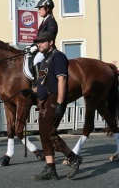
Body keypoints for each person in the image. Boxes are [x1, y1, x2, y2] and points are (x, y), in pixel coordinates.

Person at [32, 32, 82, 180]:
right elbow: (43, 83)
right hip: (43, 100)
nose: (38, 44)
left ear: (51, 42)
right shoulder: (46, 58)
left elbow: (61, 80)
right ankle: (51, 169)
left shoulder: (58, 56)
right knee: (44, 133)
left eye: (41, 42)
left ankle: (73, 158)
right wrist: (31, 91)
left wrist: (59, 103)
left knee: (49, 132)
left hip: (53, 99)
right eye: (37, 42)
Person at [27, 0, 58, 86]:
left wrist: (36, 47)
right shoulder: (45, 21)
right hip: (41, 47)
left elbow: (50, 37)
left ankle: (39, 84)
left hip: (47, 49)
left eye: (40, 8)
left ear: (47, 9)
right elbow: (40, 38)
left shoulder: (51, 22)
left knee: (36, 60)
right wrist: (32, 45)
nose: (38, 11)